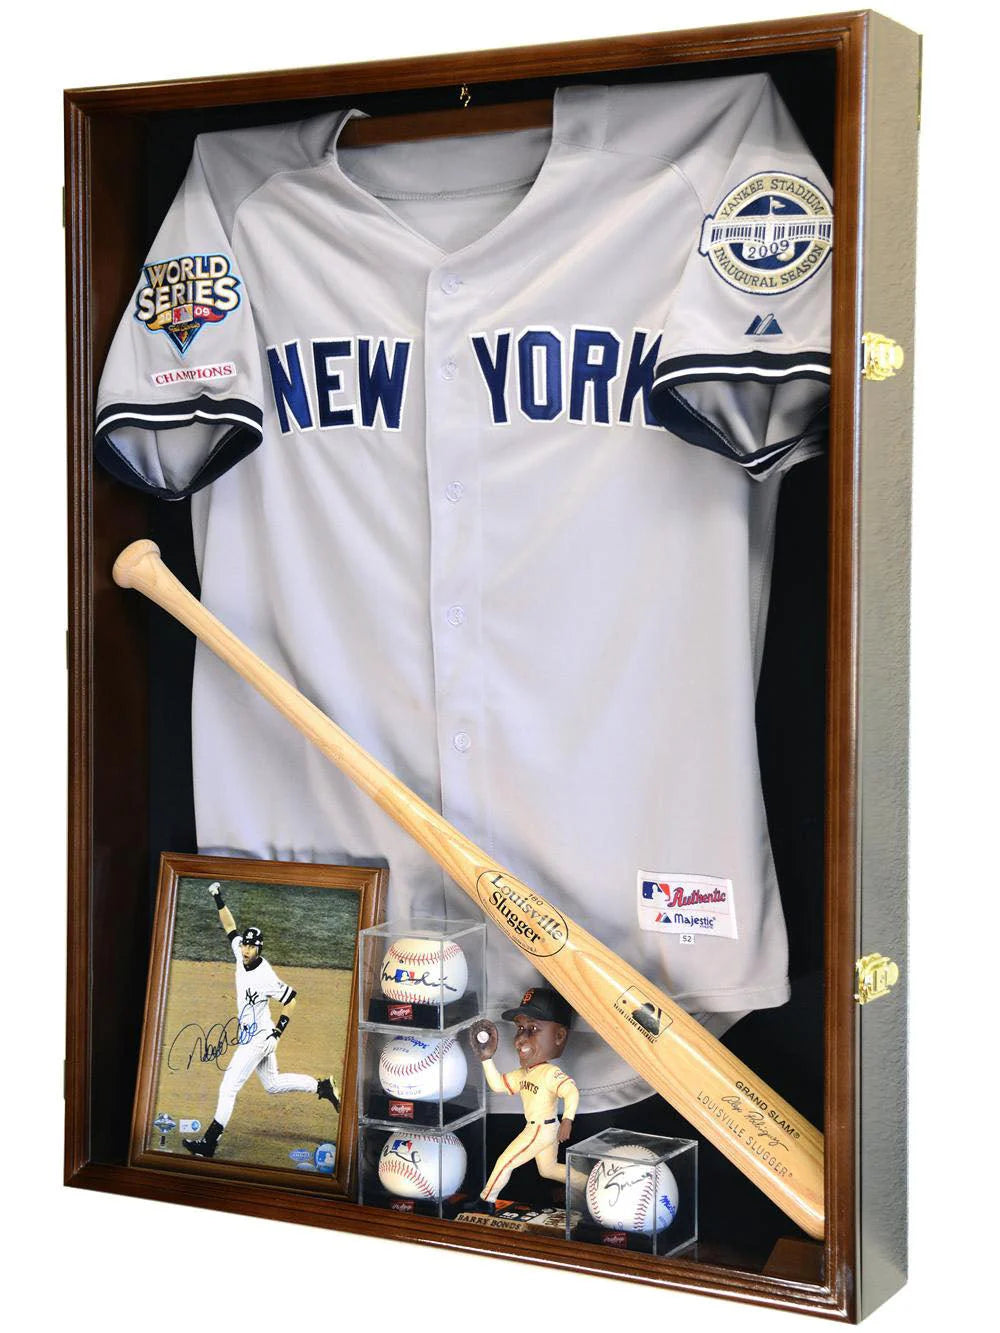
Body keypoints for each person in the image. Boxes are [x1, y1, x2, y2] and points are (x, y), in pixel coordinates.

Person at [182, 881, 340, 1159]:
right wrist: (218, 898)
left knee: (228, 1086)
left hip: (261, 1038)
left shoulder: (265, 975)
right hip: (252, 1036)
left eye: (251, 947)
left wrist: (277, 1033)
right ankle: (322, 1087)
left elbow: (291, 999)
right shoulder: (238, 952)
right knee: (273, 1084)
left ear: (259, 949)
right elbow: (229, 926)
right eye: (244, 945)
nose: (245, 950)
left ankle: (209, 1142)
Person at [468, 987, 589, 1208]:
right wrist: (486, 1059)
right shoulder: (525, 1073)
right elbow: (497, 1085)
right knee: (549, 1169)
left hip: (541, 1129)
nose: (520, 1039)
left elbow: (571, 1091)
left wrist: (568, 1120)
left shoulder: (550, 1073)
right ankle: (588, 1184)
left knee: (505, 1162)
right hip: (542, 1127)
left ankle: (486, 1201)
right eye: (520, 1028)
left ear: (559, 1036)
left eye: (532, 1028)